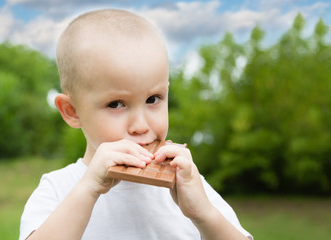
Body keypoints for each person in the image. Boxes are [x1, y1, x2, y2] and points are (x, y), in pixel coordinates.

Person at [19, 9, 252, 240]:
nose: (140, 125)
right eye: (116, 104)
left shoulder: (189, 184)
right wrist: (88, 189)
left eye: (153, 99)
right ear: (72, 111)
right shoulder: (59, 189)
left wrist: (203, 214)